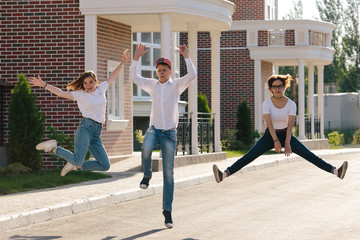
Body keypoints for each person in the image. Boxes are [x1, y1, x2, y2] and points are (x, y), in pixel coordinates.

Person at [213, 74, 348, 183]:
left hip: (286, 134)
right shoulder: (266, 104)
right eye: (274, 86)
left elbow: (290, 125)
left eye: (280, 86)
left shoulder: (291, 104)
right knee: (250, 156)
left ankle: (336, 171)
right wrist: (276, 141)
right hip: (270, 135)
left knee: (309, 155)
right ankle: (223, 174)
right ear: (271, 89)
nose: (277, 89)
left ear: (284, 87)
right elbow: (269, 124)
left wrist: (287, 142)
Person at [30, 49, 129, 177]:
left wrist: (122, 62)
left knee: (105, 165)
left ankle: (74, 164)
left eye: (91, 82)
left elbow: (112, 77)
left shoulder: (101, 89)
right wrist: (43, 84)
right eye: (85, 83)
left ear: (96, 82)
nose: (88, 85)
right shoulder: (80, 95)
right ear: (82, 85)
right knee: (78, 159)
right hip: (86, 129)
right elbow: (61, 92)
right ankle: (53, 148)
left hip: (96, 132)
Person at [130, 43, 196, 229]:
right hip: (154, 129)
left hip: (170, 134)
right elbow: (133, 77)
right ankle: (147, 176)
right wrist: (136, 58)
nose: (161, 72)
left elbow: (192, 75)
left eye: (164, 70)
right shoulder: (152, 85)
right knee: (146, 148)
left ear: (169, 72)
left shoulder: (176, 86)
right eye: (159, 70)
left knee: (169, 175)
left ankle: (167, 212)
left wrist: (185, 56)